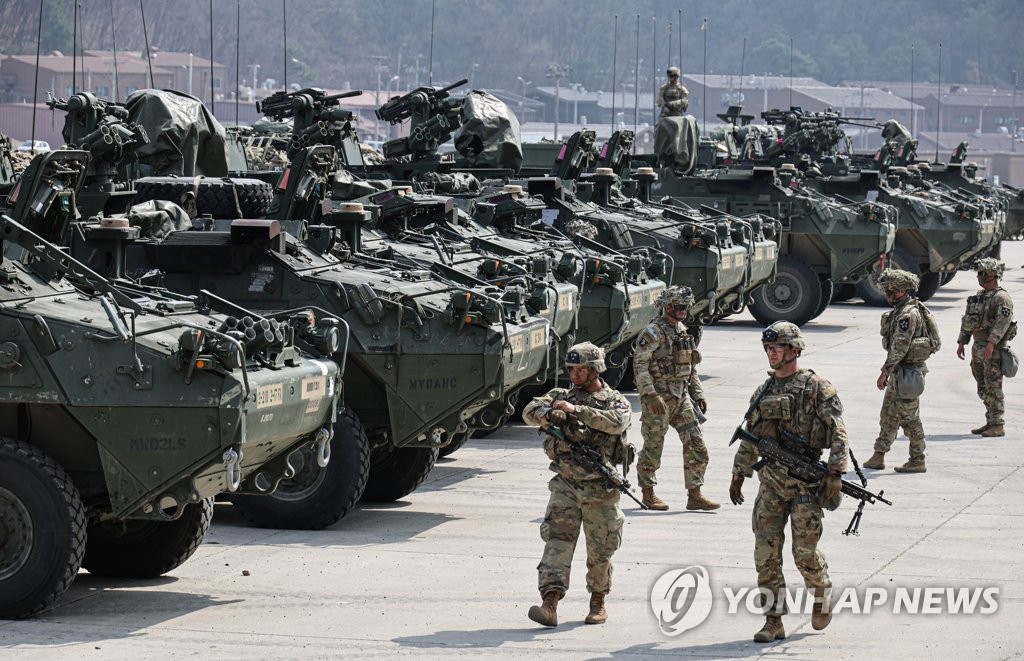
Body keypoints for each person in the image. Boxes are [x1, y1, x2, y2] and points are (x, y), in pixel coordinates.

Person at [729, 321, 849, 643]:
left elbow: (838, 430)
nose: (771, 353)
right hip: (770, 485)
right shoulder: (763, 390)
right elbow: (750, 437)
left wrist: (835, 473)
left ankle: (821, 592)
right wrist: (739, 472)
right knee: (765, 553)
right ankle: (773, 620)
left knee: (804, 553)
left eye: (777, 348)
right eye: (768, 348)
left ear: (794, 350)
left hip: (804, 486)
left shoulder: (816, 387)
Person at [522, 342, 632, 627]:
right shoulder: (560, 395)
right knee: (556, 542)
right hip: (566, 485)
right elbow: (529, 410)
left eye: (581, 369)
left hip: (600, 487)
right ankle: (550, 603)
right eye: (571, 369)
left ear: (595, 369)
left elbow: (616, 423)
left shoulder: (615, 400)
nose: (575, 375)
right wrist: (550, 414)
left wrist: (577, 411)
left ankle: (598, 601)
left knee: (600, 550)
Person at [632, 286, 718, 511]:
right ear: (668, 307)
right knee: (653, 447)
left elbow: (690, 366)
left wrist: (697, 393)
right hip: (658, 400)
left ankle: (695, 494)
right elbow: (640, 365)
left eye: (686, 307)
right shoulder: (653, 332)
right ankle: (648, 493)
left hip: (680, 398)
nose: (684, 311)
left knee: (696, 444)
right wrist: (650, 395)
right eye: (680, 307)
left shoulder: (681, 330)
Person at [864, 269, 940, 473]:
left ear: (903, 290)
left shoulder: (908, 314)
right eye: (887, 292)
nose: (888, 296)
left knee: (909, 418)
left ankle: (917, 458)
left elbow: (900, 346)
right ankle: (879, 454)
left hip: (908, 374)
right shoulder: (900, 309)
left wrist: (884, 372)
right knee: (888, 414)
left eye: (892, 292)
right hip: (900, 372)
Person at [956, 258, 1016, 437]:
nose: (979, 277)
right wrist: (962, 342)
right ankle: (990, 420)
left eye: (982, 273)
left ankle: (998, 424)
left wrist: (991, 343)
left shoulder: (1001, 298)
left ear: (992, 275)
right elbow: (968, 321)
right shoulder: (979, 296)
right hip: (978, 347)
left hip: (993, 350)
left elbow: (1002, 323)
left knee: (993, 386)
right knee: (982, 386)